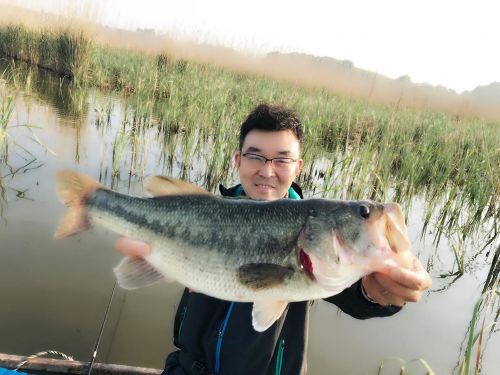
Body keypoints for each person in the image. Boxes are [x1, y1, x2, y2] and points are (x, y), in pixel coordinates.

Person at [116, 103, 431, 375]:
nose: (267, 171)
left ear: (298, 168)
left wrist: (380, 293)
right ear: (238, 160)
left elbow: (358, 295)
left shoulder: (314, 233)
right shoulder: (205, 211)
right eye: (255, 156)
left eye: (282, 159)